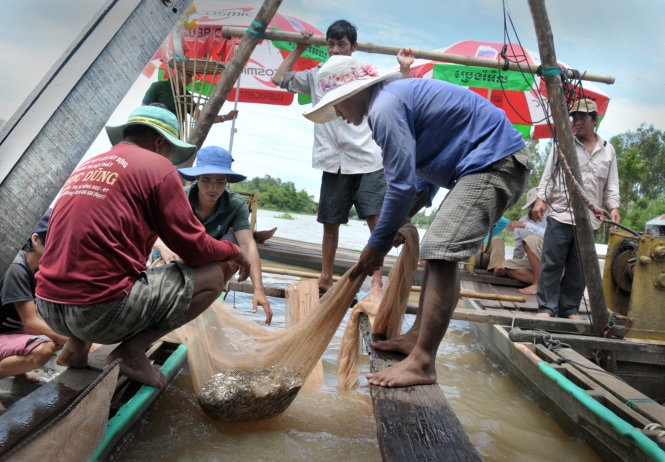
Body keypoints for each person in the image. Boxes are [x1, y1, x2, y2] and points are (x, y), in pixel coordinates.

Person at [304, 55, 532, 388]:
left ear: (352, 94)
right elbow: (423, 178)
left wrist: (376, 246)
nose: (337, 113)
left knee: (440, 249)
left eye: (337, 105)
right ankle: (415, 340)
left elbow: (399, 186)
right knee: (439, 248)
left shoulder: (384, 108)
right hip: (481, 163)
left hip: (495, 162)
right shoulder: (392, 101)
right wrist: (403, 218)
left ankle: (423, 362)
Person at [35, 105, 250, 388]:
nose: (170, 159)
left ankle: (76, 347)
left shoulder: (92, 164)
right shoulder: (157, 166)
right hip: (98, 313)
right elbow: (196, 250)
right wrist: (235, 253)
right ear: (160, 142)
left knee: (103, 265)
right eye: (171, 150)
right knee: (212, 275)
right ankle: (132, 352)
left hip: (48, 305)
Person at [272, 20, 414, 296]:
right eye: (331, 44)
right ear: (326, 46)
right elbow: (279, 79)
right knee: (330, 222)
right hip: (332, 161)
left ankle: (376, 283)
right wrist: (299, 49)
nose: (336, 50)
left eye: (342, 45)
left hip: (367, 158)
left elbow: (399, 92)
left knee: (377, 222)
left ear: (354, 47)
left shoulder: (365, 74)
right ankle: (325, 277)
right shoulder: (317, 75)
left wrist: (405, 68)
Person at [153, 146, 273, 324]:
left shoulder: (235, 204)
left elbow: (248, 244)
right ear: (197, 178)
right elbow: (151, 228)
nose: (212, 188)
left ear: (227, 181)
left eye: (220, 181)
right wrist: (162, 247)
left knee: (233, 243)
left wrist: (258, 289)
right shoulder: (180, 196)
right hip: (176, 254)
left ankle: (208, 299)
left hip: (208, 261)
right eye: (206, 180)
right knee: (160, 254)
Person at [532, 99, 620, 319]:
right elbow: (547, 177)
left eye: (582, 117)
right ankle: (547, 307)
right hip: (560, 214)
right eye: (574, 117)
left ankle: (570, 307)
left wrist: (614, 208)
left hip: (590, 219)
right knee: (552, 262)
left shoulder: (608, 150)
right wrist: (541, 199)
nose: (577, 122)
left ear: (594, 120)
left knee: (580, 267)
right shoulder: (563, 144)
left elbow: (611, 186)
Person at [0, 210, 69, 384]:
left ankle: (18, 371)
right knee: (43, 349)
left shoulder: (36, 268)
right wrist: (72, 340)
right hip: (4, 332)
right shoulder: (17, 267)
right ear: (36, 239)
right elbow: (30, 323)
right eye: (54, 244)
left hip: (9, 330)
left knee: (58, 334)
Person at [492, 188, 548, 295]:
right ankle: (547, 284)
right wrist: (509, 268)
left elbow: (550, 236)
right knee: (506, 265)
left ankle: (537, 284)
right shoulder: (522, 220)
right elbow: (519, 250)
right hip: (534, 262)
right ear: (532, 206)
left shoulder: (552, 216)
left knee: (531, 239)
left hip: (552, 258)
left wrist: (525, 225)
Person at [142, 71, 238, 125]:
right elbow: (143, 111)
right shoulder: (158, 86)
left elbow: (201, 119)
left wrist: (225, 117)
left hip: (174, 140)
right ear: (178, 72)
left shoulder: (187, 96)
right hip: (154, 134)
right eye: (188, 75)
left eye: (192, 76)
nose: (191, 80)